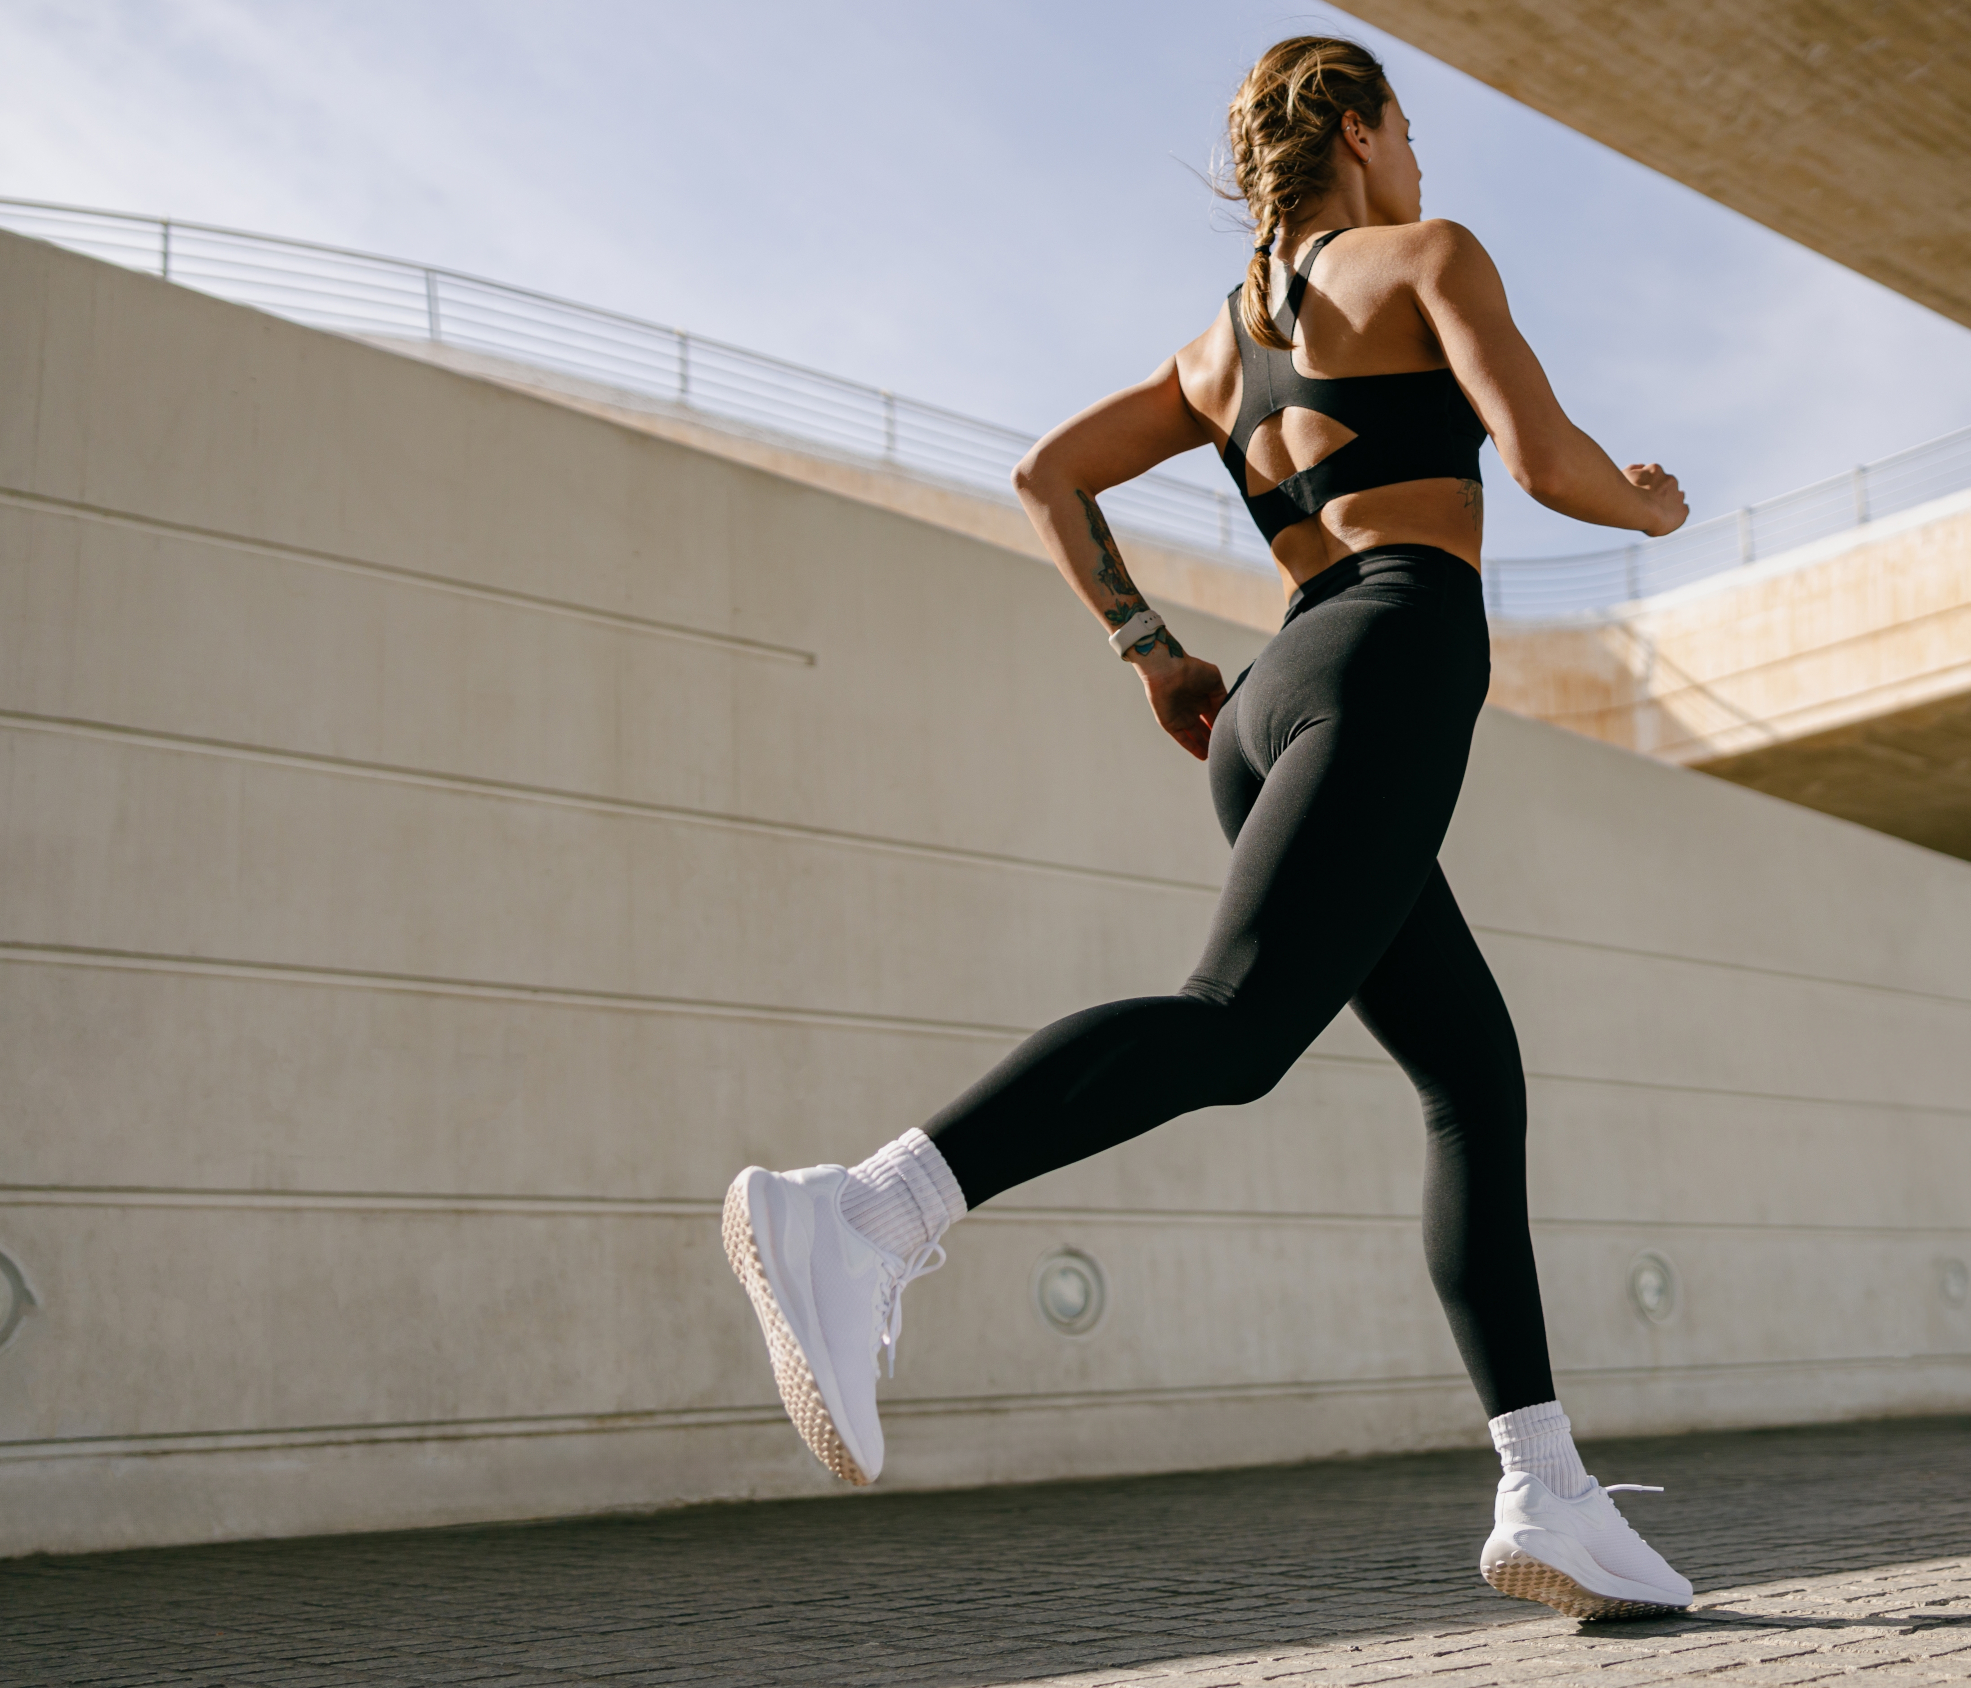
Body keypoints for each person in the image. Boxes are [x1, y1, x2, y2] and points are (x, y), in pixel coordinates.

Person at [720, 34, 1694, 1622]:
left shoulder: (1221, 347)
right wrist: (1645, 506)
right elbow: (1538, 457)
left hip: (1270, 696)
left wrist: (1149, 651)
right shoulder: (1427, 255)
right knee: (1234, 1028)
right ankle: (864, 1211)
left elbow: (1052, 475)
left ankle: (1550, 1493)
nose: (1428, 166)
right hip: (1383, 660)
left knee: (1470, 1073)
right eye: (1414, 131)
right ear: (1366, 130)